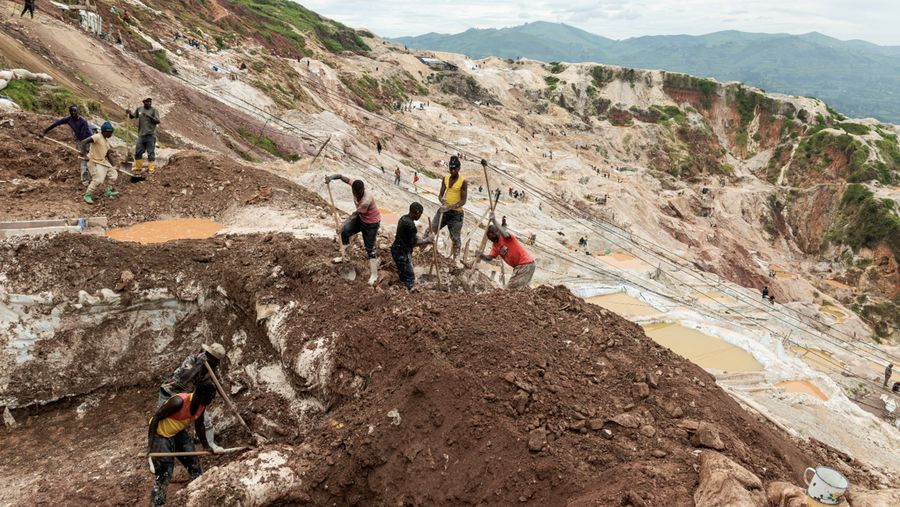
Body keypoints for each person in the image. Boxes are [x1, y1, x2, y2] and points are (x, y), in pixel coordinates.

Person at [148, 382, 221, 506]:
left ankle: (197, 495)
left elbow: (199, 425)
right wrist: (151, 446)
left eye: (211, 398)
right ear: (198, 395)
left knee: (194, 464)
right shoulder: (179, 402)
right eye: (208, 398)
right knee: (164, 472)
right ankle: (157, 503)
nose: (210, 401)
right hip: (161, 435)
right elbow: (155, 418)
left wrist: (207, 446)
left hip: (177, 432)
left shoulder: (201, 404)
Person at [159, 343, 226, 452]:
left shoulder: (214, 368)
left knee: (205, 419)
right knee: (164, 422)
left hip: (190, 396)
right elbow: (184, 378)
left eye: (217, 361)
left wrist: (230, 403)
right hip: (170, 391)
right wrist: (198, 366)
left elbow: (220, 386)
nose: (216, 363)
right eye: (213, 359)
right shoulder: (193, 359)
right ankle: (156, 453)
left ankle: (209, 444)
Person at [325, 174, 382, 285]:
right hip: (361, 219)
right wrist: (331, 178)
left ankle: (374, 274)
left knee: (370, 248)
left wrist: (342, 224)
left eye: (359, 193)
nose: (357, 195)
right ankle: (344, 256)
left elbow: (354, 214)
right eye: (356, 193)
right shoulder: (355, 185)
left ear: (362, 191)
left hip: (371, 224)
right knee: (345, 232)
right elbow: (341, 177)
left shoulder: (366, 199)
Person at [479, 213, 535, 290]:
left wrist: (494, 220)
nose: (489, 237)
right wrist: (480, 255)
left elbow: (505, 233)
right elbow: (489, 258)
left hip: (525, 265)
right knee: (520, 289)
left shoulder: (506, 237)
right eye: (488, 235)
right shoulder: (495, 245)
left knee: (510, 289)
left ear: (496, 232)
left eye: (491, 234)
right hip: (520, 267)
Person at [42, 105, 94, 186]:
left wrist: (85, 151)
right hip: (79, 140)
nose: (73, 113)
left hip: (88, 139)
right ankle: (85, 181)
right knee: (83, 160)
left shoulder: (83, 121)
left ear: (78, 111)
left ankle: (95, 176)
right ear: (69, 112)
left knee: (90, 158)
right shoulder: (69, 119)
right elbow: (56, 123)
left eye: (75, 111)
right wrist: (45, 131)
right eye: (72, 111)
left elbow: (85, 137)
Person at [432, 155, 468, 259]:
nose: (452, 171)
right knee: (431, 230)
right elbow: (440, 195)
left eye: (454, 169)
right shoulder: (445, 179)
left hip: (456, 214)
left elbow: (463, 201)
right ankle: (421, 250)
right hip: (444, 210)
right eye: (450, 168)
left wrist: (450, 207)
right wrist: (441, 199)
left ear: (458, 168)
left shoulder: (463, 182)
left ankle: (456, 259)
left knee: (455, 238)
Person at [391, 202, 432, 289]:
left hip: (397, 249)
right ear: (417, 212)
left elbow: (409, 236)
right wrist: (428, 240)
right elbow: (414, 243)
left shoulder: (403, 218)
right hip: (401, 253)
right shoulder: (410, 225)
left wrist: (422, 239)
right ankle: (408, 293)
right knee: (410, 278)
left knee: (404, 272)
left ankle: (402, 283)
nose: (420, 216)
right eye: (420, 213)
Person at [79, 122, 119, 204]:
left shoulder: (106, 142)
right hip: (93, 161)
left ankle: (108, 191)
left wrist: (114, 165)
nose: (111, 134)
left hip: (102, 161)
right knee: (98, 180)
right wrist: (85, 155)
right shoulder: (97, 136)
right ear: (105, 132)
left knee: (113, 174)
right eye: (110, 132)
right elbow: (84, 142)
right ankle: (87, 195)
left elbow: (108, 155)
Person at [127, 97, 160, 175]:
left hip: (150, 135)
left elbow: (158, 121)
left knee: (150, 152)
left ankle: (151, 168)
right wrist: (129, 113)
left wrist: (149, 116)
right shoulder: (139, 109)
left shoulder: (154, 110)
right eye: (147, 102)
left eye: (150, 102)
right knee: (138, 152)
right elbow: (132, 116)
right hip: (141, 135)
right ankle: (138, 167)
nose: (149, 103)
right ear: (144, 102)